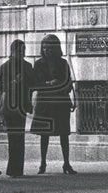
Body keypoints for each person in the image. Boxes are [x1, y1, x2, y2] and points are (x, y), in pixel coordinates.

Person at [31, 34, 77, 175]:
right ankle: (42, 163)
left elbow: (68, 84)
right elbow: (35, 83)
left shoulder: (63, 64)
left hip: (60, 103)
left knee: (64, 133)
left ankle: (66, 163)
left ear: (55, 48)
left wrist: (59, 85)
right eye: (44, 48)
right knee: (44, 134)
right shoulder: (38, 64)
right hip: (45, 103)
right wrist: (48, 84)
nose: (46, 51)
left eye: (49, 48)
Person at [0, 39, 34, 177]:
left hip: (20, 105)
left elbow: (32, 84)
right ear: (14, 51)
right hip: (10, 105)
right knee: (14, 137)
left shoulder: (26, 66)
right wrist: (15, 82)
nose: (23, 53)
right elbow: (2, 87)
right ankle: (14, 169)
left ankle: (16, 169)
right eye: (21, 51)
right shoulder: (6, 67)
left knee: (17, 137)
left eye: (24, 51)